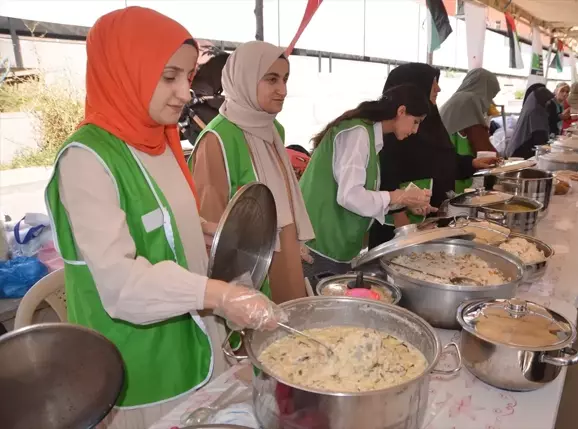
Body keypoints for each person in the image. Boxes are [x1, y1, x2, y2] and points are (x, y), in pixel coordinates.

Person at [44, 7, 283, 427]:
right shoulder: (86, 159)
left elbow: (167, 221)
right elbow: (120, 286)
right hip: (138, 362)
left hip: (192, 339)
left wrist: (208, 232)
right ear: (125, 69)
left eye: (188, 78)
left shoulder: (160, 138)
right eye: (168, 76)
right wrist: (221, 296)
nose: (184, 93)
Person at [191, 41, 315, 305]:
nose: (282, 90)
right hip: (250, 270)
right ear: (245, 79)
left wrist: (293, 244)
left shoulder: (273, 129)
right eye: (272, 80)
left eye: (285, 79)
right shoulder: (217, 139)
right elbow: (212, 232)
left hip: (284, 252)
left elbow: (284, 199)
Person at [300, 84, 432, 279]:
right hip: (319, 243)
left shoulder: (370, 136)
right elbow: (350, 196)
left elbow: (364, 200)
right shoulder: (358, 133)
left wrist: (403, 203)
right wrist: (398, 196)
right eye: (415, 121)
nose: (415, 130)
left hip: (336, 245)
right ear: (401, 110)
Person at [367, 63, 498, 248]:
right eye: (433, 83)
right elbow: (386, 173)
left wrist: (472, 163)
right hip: (400, 224)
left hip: (428, 216)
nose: (438, 88)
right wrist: (400, 214)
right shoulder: (393, 126)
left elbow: (441, 161)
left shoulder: (429, 121)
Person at [439, 68, 501, 193]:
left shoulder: (457, 99)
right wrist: (504, 164)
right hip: (458, 173)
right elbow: (483, 149)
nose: (490, 102)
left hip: (446, 168)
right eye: (490, 95)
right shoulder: (470, 100)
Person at [506, 85, 555, 159]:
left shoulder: (530, 108)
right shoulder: (535, 112)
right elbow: (540, 139)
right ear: (541, 100)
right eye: (548, 100)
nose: (549, 103)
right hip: (520, 154)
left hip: (517, 149)